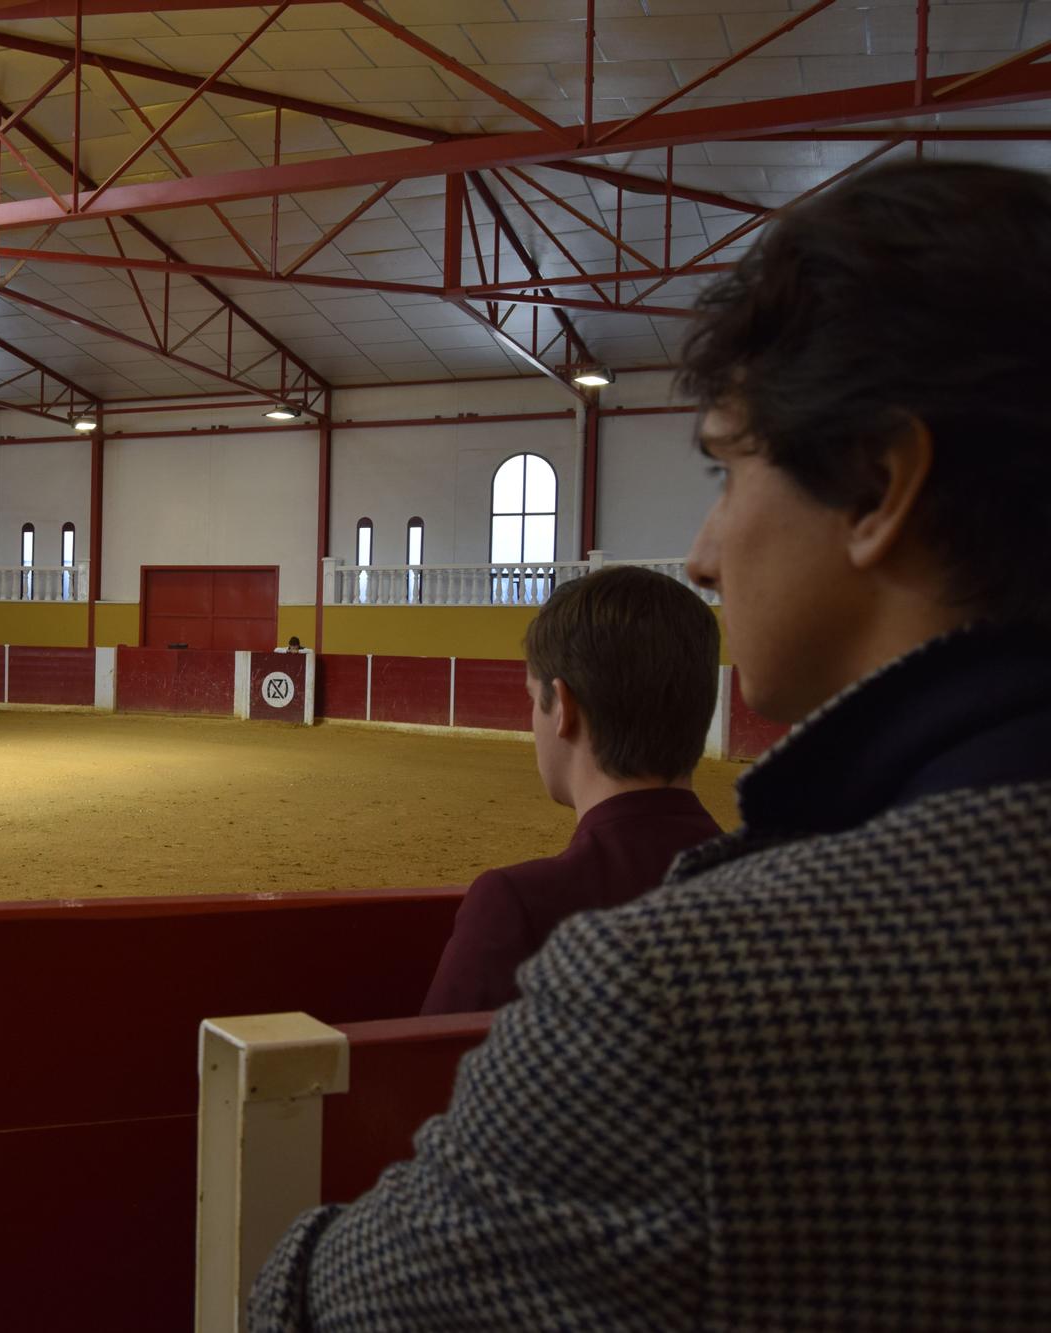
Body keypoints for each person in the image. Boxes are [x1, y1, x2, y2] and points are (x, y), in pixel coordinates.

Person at [252, 160, 1051, 1330]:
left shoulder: (683, 993)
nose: (703, 552)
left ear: (878, 484)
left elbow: (322, 1307)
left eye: (727, 470)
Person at [419, 566, 721, 1015]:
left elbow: (427, 1075)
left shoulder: (516, 906)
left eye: (531, 698)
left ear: (563, 707)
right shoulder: (781, 893)